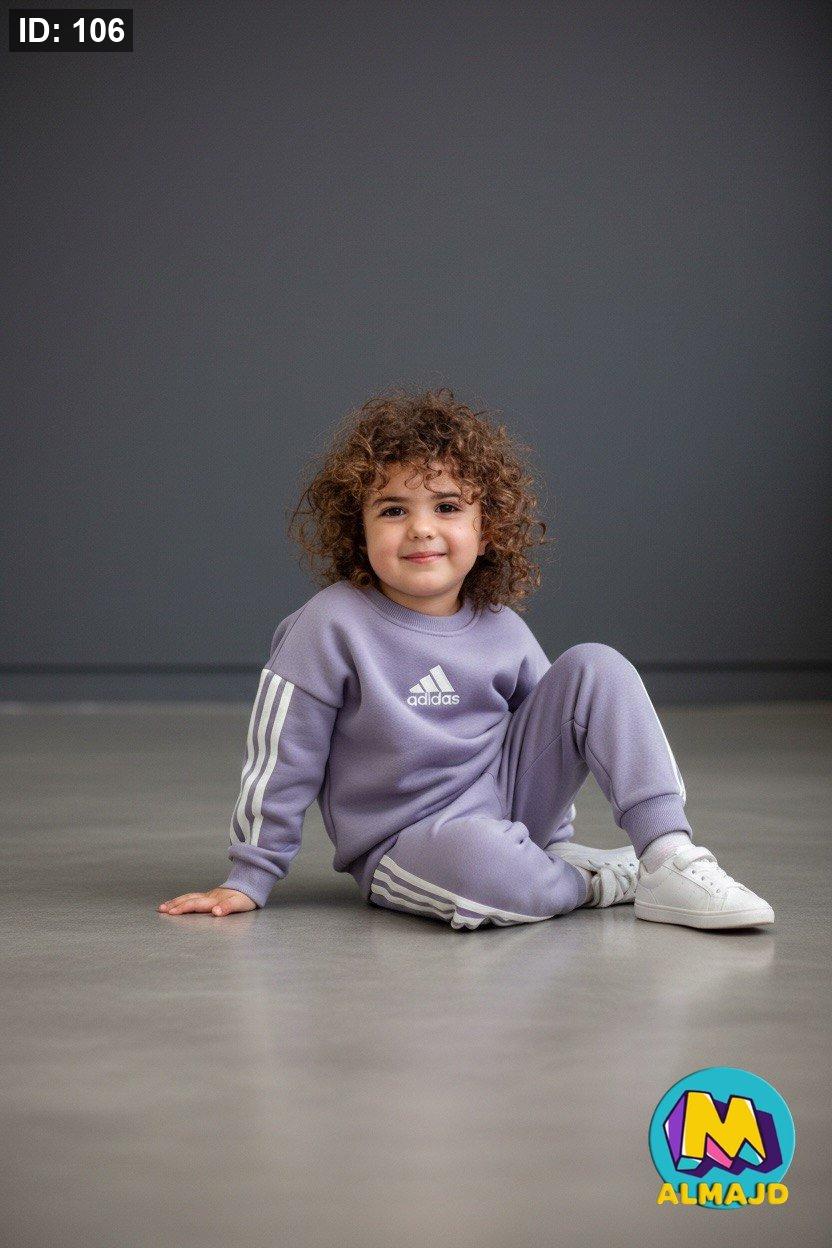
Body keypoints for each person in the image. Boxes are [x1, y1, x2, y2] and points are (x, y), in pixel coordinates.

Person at [158, 388, 774, 931]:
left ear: (487, 528)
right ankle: (593, 883)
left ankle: (668, 858)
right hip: (406, 842)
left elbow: (560, 734)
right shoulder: (329, 626)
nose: (421, 529)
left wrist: (555, 836)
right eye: (393, 509)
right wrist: (250, 876)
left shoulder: (501, 627)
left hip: (510, 811)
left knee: (597, 666)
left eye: (447, 507)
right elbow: (281, 758)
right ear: (358, 530)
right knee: (481, 863)